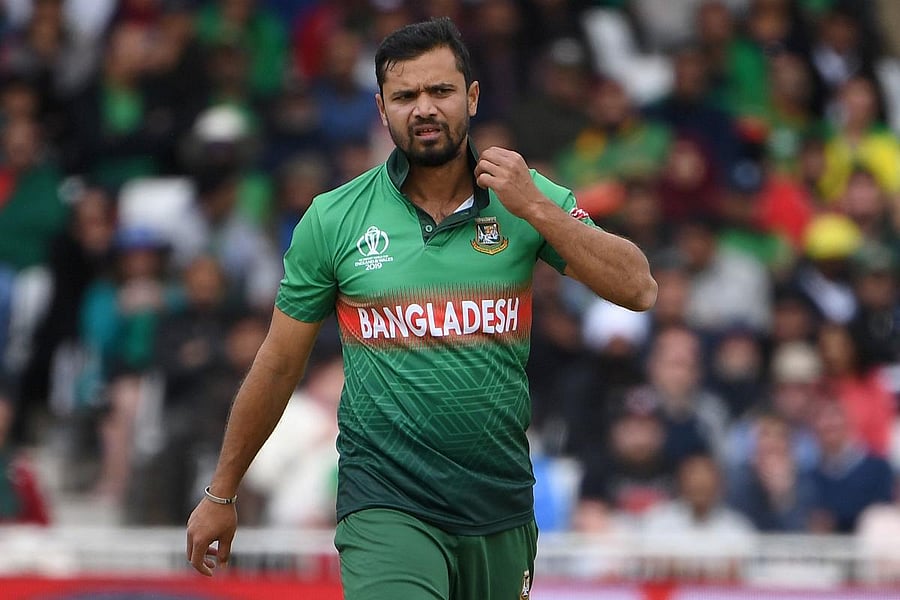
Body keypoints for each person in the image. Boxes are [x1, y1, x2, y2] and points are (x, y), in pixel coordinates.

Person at [185, 17, 657, 599]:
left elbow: (639, 289)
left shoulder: (524, 197)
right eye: (405, 96)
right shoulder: (334, 219)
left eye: (440, 91)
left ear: (473, 97)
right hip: (386, 501)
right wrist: (222, 491)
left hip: (499, 505)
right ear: (382, 110)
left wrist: (538, 208)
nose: (424, 108)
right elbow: (279, 363)